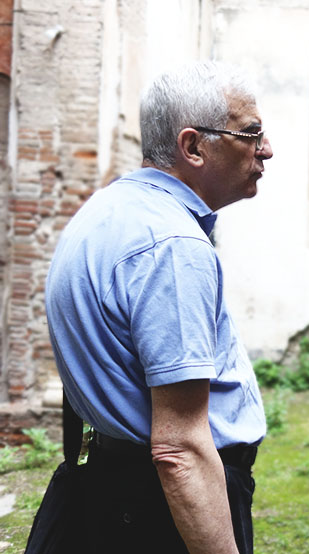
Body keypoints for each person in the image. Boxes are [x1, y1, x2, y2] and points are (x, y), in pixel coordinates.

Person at [40, 61, 273, 553]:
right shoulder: (171, 245)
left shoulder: (105, 212)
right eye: (250, 134)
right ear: (194, 147)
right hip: (165, 508)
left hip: (117, 487)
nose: (265, 150)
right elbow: (179, 447)